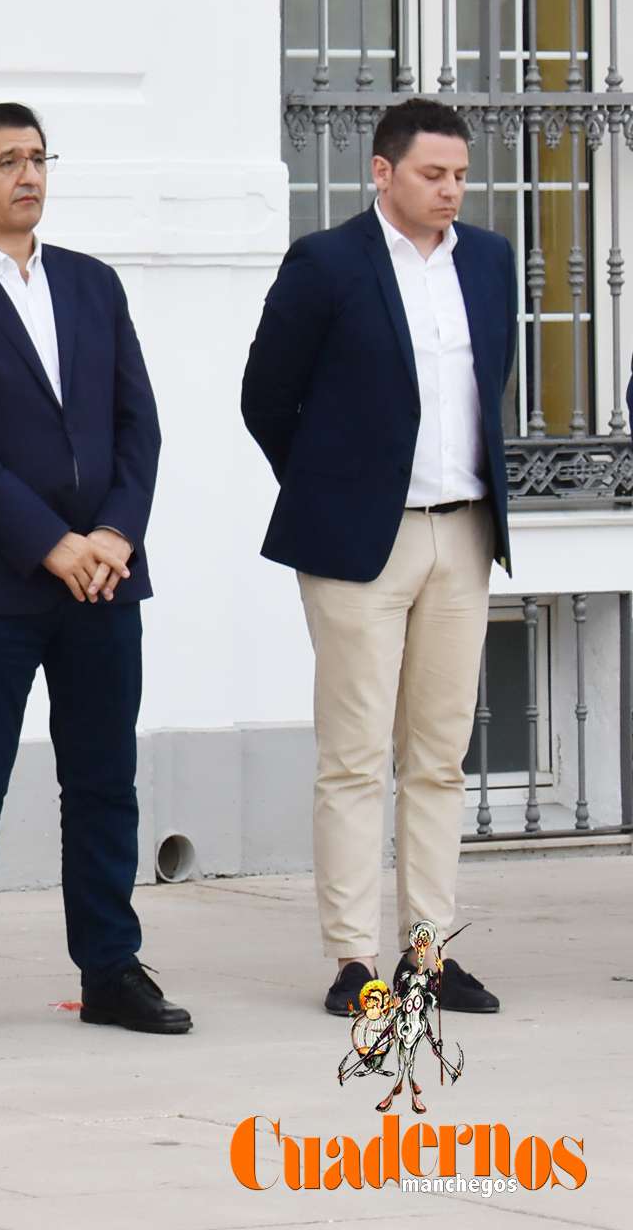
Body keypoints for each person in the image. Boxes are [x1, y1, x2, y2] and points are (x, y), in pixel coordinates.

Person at [0, 103, 189, 1039]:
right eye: (7, 162)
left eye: (38, 158)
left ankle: (110, 967)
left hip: (104, 577)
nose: (28, 175)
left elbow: (137, 425)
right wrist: (50, 544)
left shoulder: (94, 286)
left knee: (104, 779)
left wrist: (114, 535)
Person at [240, 98, 511, 1020]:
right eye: (433, 174)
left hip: (464, 530)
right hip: (363, 540)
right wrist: (334, 488)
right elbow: (266, 397)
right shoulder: (327, 263)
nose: (451, 190)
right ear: (383, 173)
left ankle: (428, 954)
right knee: (355, 755)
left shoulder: (490, 261)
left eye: (461, 175)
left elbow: (490, 389)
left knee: (439, 758)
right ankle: (354, 960)